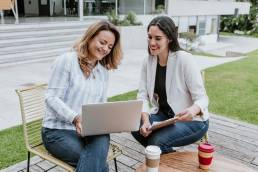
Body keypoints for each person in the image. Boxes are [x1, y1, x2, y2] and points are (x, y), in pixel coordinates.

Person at [41, 21, 122, 172]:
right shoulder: (67, 61)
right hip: (57, 130)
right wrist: (75, 118)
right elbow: (51, 97)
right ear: (90, 38)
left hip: (89, 130)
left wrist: (111, 122)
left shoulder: (102, 71)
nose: (105, 49)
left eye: (110, 47)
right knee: (100, 165)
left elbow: (100, 105)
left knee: (102, 137)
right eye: (102, 42)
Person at [132, 16, 209, 154]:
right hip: (164, 117)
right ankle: (167, 158)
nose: (152, 42)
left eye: (158, 38)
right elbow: (142, 94)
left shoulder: (185, 59)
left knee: (157, 141)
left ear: (170, 39)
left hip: (192, 121)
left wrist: (191, 111)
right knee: (133, 126)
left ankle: (164, 159)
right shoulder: (147, 61)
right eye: (149, 37)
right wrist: (145, 121)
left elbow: (203, 99)